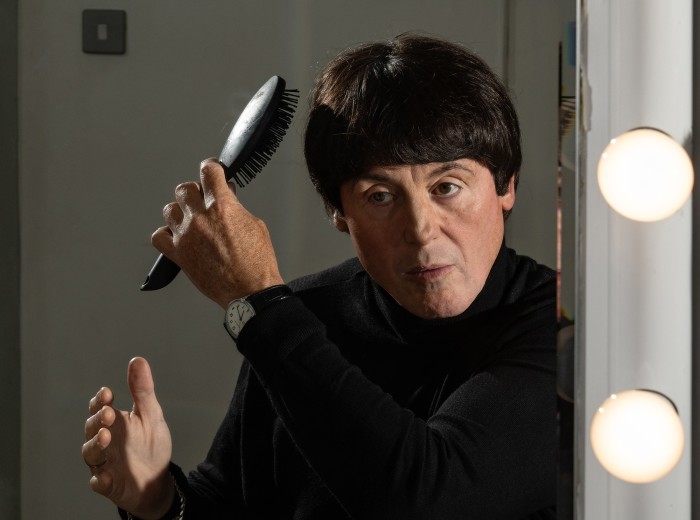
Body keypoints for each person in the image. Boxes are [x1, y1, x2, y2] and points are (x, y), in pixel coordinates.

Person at [82, 33, 557, 519]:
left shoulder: (561, 328)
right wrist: (159, 500)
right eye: (379, 196)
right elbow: (230, 504)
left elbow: (430, 501)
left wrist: (259, 304)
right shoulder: (303, 316)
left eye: (447, 186)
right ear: (339, 213)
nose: (420, 230)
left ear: (506, 185)